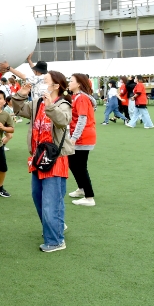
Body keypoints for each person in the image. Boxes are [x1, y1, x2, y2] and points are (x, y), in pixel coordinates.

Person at [12, 70, 74, 252]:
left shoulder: (63, 104)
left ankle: (55, 240)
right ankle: (56, 227)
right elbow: (18, 109)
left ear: (56, 86)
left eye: (44, 81)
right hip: (39, 157)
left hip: (55, 158)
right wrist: (22, 93)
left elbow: (63, 121)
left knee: (51, 202)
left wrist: (50, 106)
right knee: (39, 197)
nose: (40, 83)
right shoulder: (37, 103)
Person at [67, 73, 97, 207]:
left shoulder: (81, 98)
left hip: (83, 137)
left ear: (78, 84)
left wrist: (74, 137)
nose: (69, 82)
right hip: (82, 136)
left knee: (80, 167)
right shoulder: (78, 97)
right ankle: (82, 189)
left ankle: (89, 197)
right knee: (73, 164)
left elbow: (82, 118)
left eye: (71, 81)